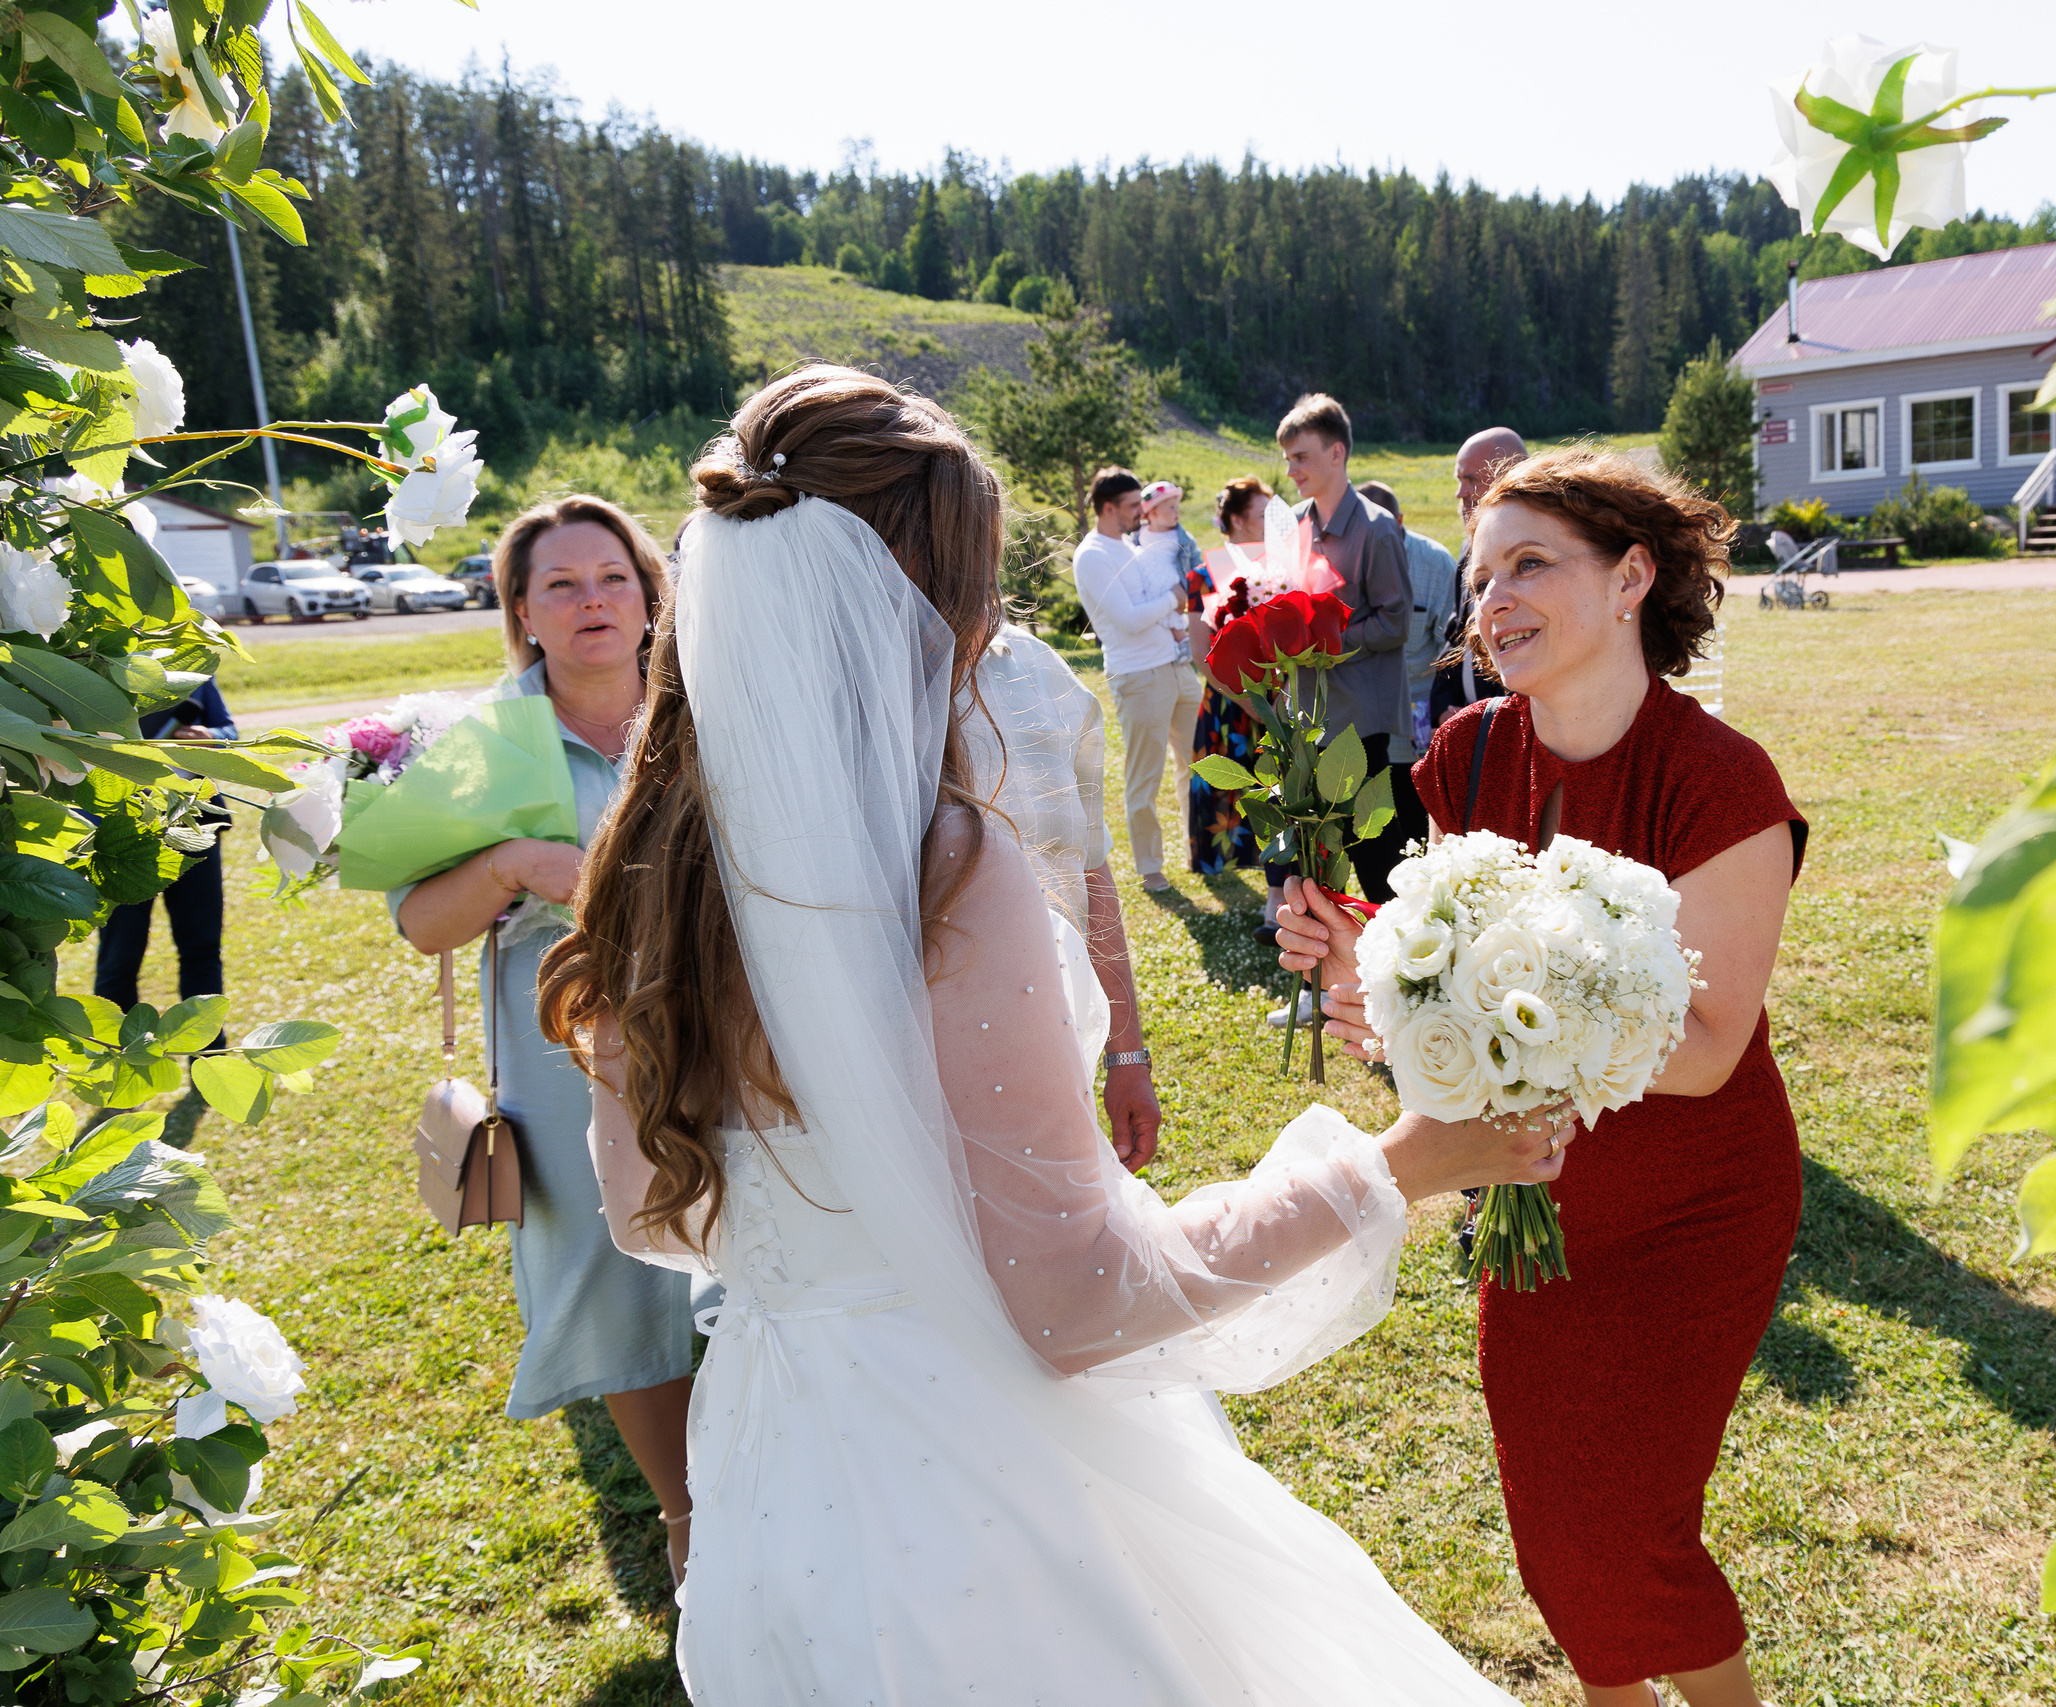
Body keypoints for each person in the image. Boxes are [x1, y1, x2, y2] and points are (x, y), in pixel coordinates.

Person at [537, 365, 1569, 1703]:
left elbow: (647, 1212)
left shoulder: (644, 867)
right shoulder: (939, 867)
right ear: (927, 609)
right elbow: (1082, 1299)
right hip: (985, 1509)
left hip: (771, 1485)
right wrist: (1401, 1163)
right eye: (979, 591)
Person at [1278, 447, 1806, 1707]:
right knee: (1553, 1531)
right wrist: (1367, 984)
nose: (1490, 602)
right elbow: (1439, 987)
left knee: (1634, 1526)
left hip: (1694, 1207)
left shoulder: (1721, 782)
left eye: (1529, 566)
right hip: (1530, 1203)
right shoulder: (1462, 757)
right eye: (1477, 578)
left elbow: (1708, 1047)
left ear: (1630, 580)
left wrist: (1466, 1016)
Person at [389, 495, 697, 1581]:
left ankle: (778, 1481)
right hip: (567, 1050)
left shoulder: (703, 705)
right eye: (559, 585)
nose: (591, 602)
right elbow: (420, 922)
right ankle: (686, 1519)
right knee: (611, 1265)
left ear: (649, 591)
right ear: (521, 612)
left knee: (748, 1246)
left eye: (610, 577)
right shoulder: (485, 741)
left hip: (717, 1022)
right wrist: (512, 864)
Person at [963, 620, 1162, 1171]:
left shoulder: (1039, 670)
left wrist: (1127, 1057)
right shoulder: (867, 678)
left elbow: (1090, 870)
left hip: (1061, 1047)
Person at [1277, 393, 1411, 904]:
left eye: (1302, 456)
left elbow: (1395, 624)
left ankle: (1399, 962)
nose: (1291, 469)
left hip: (1358, 721)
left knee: (1373, 850)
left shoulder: (1376, 530)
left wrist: (1324, 641)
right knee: (1313, 851)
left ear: (1338, 454)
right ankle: (1326, 967)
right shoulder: (1292, 526)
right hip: (1304, 716)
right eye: (1287, 458)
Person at [1072, 466, 1193, 894]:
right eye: (1131, 505)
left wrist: (1172, 617)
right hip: (1138, 676)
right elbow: (1129, 620)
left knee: (1195, 765)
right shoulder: (1092, 556)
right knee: (1145, 777)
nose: (1141, 513)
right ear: (1108, 508)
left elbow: (1148, 609)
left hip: (1176, 666)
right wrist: (1174, 599)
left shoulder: (1126, 546)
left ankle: (1199, 851)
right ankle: (1150, 867)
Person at [93, 672, 238, 1028]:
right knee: (119, 958)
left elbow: (228, 731)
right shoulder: (94, 670)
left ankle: (208, 1064)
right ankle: (120, 1064)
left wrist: (212, 737)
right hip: (121, 835)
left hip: (194, 826)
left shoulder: (192, 669)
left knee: (202, 950)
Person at [1355, 479, 1450, 864]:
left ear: (1400, 522)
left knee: (1417, 826)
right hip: (1361, 719)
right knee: (1372, 834)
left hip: (1418, 723)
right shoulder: (1344, 560)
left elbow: (1453, 647)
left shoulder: (1435, 563)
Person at [1185, 476, 1271, 885]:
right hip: (1227, 700)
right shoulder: (1205, 575)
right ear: (1236, 519)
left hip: (1279, 696)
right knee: (1225, 783)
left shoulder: (1283, 569)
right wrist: (1243, 699)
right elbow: (1200, 651)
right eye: (1263, 514)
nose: (1273, 522)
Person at [1427, 426, 1526, 731]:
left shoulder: (1534, 550)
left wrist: (1489, 714)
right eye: (1459, 480)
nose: (1460, 493)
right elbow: (1459, 633)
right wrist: (1443, 706)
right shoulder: (1469, 548)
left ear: (1507, 476)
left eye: (1470, 480)